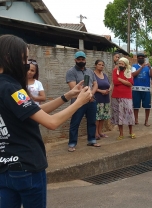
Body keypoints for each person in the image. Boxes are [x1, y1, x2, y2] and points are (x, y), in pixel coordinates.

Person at [0, 34, 91, 208]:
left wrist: (67, 96)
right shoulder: (12, 88)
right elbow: (51, 123)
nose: (27, 64)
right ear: (8, 57)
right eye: (25, 58)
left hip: (4, 169)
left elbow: (34, 111)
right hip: (27, 166)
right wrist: (79, 103)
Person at [66, 51, 100, 152]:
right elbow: (73, 88)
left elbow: (95, 84)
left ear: (85, 60)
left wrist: (91, 95)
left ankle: (92, 140)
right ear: (75, 60)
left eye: (83, 59)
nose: (81, 61)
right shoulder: (71, 72)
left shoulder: (90, 71)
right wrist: (86, 96)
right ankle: (72, 143)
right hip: (78, 102)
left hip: (91, 100)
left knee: (92, 121)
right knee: (75, 123)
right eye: (79, 59)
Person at [111, 57, 135, 140]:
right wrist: (124, 81)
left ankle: (131, 132)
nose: (120, 65)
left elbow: (130, 84)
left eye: (122, 63)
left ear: (126, 64)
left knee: (129, 114)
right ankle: (121, 133)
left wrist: (120, 79)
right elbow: (115, 82)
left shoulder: (129, 72)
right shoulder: (115, 71)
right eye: (119, 63)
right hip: (116, 96)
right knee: (118, 115)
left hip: (127, 96)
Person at [131, 53, 152, 126]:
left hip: (146, 89)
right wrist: (141, 67)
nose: (141, 59)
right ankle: (136, 120)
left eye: (142, 57)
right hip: (136, 89)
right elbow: (133, 74)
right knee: (136, 106)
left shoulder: (149, 67)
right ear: (137, 59)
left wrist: (150, 68)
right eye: (139, 57)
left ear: (144, 58)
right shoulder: (134, 66)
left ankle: (146, 121)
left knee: (147, 106)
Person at [93, 60, 111, 139]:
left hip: (105, 99)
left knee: (103, 116)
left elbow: (109, 85)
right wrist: (101, 91)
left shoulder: (105, 75)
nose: (101, 66)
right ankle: (96, 133)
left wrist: (108, 90)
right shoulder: (93, 75)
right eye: (99, 64)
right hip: (97, 98)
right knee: (97, 117)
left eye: (102, 65)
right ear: (95, 65)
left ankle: (100, 132)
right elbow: (91, 87)